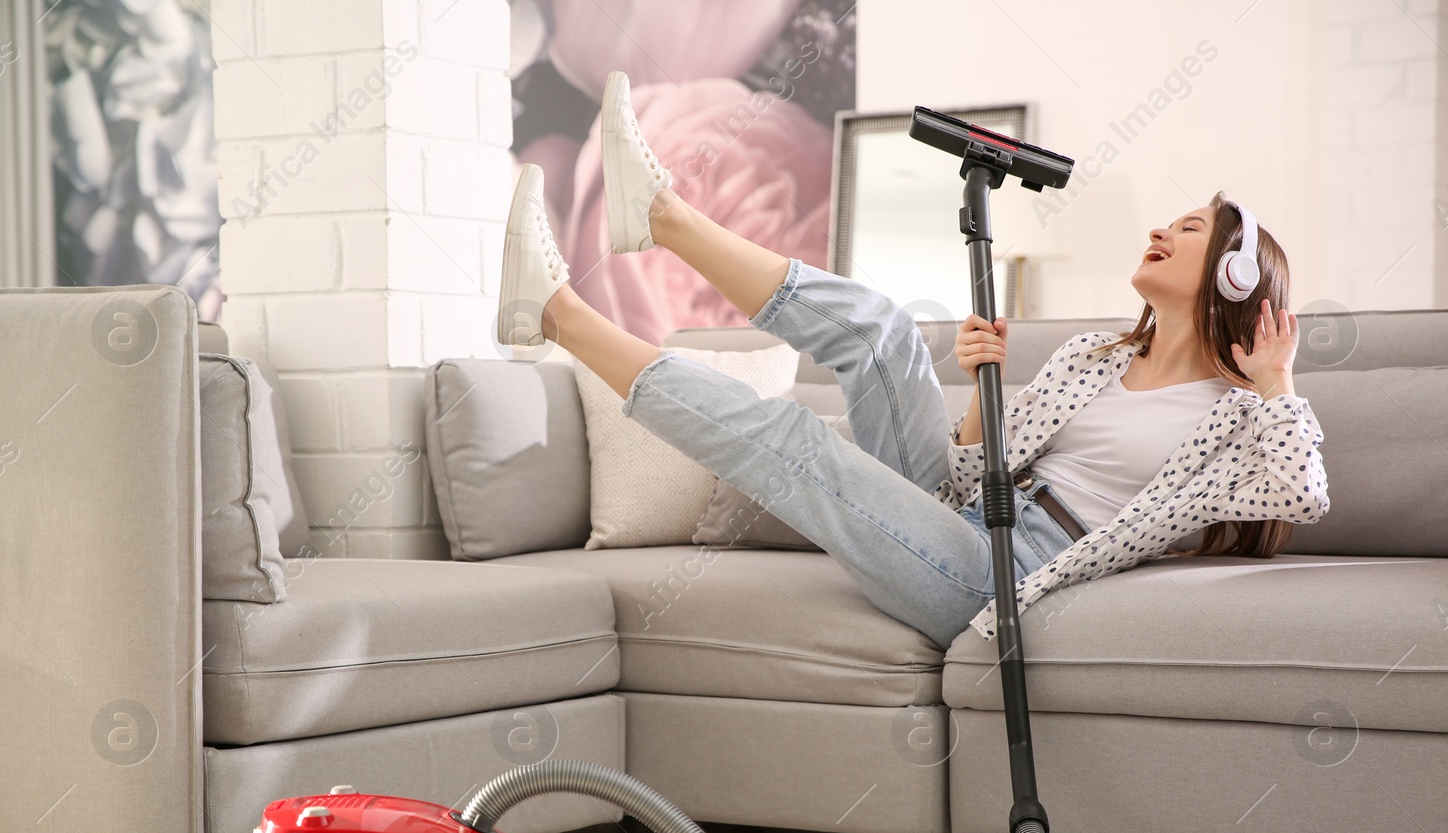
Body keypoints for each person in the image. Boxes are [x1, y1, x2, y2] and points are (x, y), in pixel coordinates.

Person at [496, 70, 1329, 651]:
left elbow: (1304, 492)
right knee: (886, 334)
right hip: (960, 515)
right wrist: (977, 392)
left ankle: (559, 316)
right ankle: (662, 216)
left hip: (999, 571)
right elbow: (969, 470)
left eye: (1186, 231)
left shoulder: (1242, 412)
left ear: (1235, 275)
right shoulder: (1090, 357)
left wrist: (1277, 383)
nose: (1159, 232)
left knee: (800, 442)